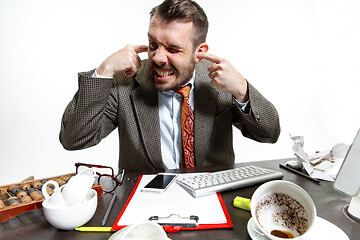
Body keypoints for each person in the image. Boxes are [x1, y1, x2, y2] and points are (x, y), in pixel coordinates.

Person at [60, 0, 280, 172]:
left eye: (173, 49)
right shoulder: (124, 82)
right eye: (153, 44)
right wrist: (103, 71)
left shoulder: (219, 81)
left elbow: (269, 134)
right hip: (145, 202)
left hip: (212, 195)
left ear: (199, 52)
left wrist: (242, 90)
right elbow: (73, 139)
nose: (157, 58)